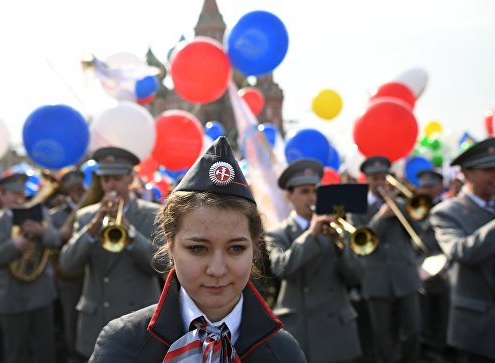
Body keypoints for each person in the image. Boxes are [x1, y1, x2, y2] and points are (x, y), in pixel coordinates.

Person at [89, 136, 306, 362]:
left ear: (255, 246)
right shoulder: (124, 342)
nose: (217, 269)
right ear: (170, 245)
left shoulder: (284, 352)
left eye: (235, 249)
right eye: (198, 249)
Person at [59, 147, 163, 360]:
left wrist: (130, 233)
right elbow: (67, 264)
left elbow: (161, 264)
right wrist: (92, 228)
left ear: (130, 178)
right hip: (98, 320)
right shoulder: (86, 216)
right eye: (106, 179)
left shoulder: (152, 213)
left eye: (116, 178)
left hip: (138, 318)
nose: (111, 185)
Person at [429, 138, 495, 363]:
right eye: (489, 170)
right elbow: (462, 252)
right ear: (467, 174)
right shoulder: (446, 212)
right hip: (478, 330)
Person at [265, 158, 363, 363]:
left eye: (315, 191)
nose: (312, 198)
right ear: (289, 196)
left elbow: (355, 275)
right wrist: (311, 236)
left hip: (337, 324)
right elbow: (281, 268)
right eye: (304, 191)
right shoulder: (277, 233)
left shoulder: (336, 228)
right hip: (304, 328)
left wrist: (340, 249)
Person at [348, 156, 421, 363]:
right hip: (376, 280)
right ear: (367, 179)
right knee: (383, 336)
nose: (380, 182)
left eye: (384, 177)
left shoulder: (402, 202)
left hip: (405, 276)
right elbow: (359, 242)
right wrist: (380, 217)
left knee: (413, 330)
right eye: (375, 178)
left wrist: (402, 210)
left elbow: (417, 232)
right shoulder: (357, 207)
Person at [0, 173, 60, 363]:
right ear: (0, 195)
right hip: (11, 299)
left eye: (21, 192)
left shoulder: (40, 213)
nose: (19, 197)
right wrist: (14, 246)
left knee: (45, 351)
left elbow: (56, 240)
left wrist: (41, 231)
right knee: (16, 354)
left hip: (41, 295)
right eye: (12, 193)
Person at [413, 170, 451, 360]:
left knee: (443, 308)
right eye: (423, 187)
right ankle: (427, 344)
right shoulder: (415, 207)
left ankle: (441, 343)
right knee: (424, 308)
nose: (425, 191)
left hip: (444, 265)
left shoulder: (447, 207)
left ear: (438, 187)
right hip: (421, 265)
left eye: (430, 187)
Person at [50, 168, 87, 363]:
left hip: (89, 275)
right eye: (72, 189)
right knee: (70, 322)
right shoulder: (55, 215)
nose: (77, 192)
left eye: (79, 187)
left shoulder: (93, 209)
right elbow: (52, 242)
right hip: (68, 277)